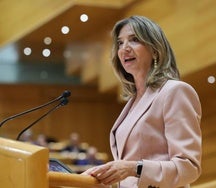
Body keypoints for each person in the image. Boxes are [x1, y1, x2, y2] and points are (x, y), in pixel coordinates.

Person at [82, 15, 202, 188]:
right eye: (120, 43)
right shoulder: (132, 102)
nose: (125, 48)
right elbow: (128, 173)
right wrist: (103, 175)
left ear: (155, 49)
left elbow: (188, 167)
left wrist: (133, 168)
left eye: (134, 40)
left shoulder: (175, 91)